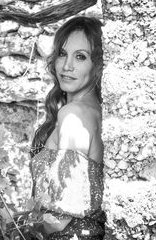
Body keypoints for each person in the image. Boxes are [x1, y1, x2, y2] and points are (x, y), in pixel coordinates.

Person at [30, 16, 105, 240]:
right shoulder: (96, 112)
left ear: (98, 64)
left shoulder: (74, 116)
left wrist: (13, 223)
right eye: (62, 54)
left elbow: (59, 217)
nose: (67, 66)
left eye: (80, 56)